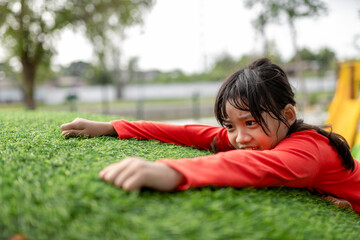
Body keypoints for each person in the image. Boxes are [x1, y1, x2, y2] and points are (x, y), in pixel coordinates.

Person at [61, 58, 360, 214]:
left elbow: (255, 167)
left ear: (288, 116)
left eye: (251, 122)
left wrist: (172, 170)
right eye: (230, 125)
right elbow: (191, 132)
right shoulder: (252, 138)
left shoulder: (307, 149)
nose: (239, 138)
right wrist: (113, 126)